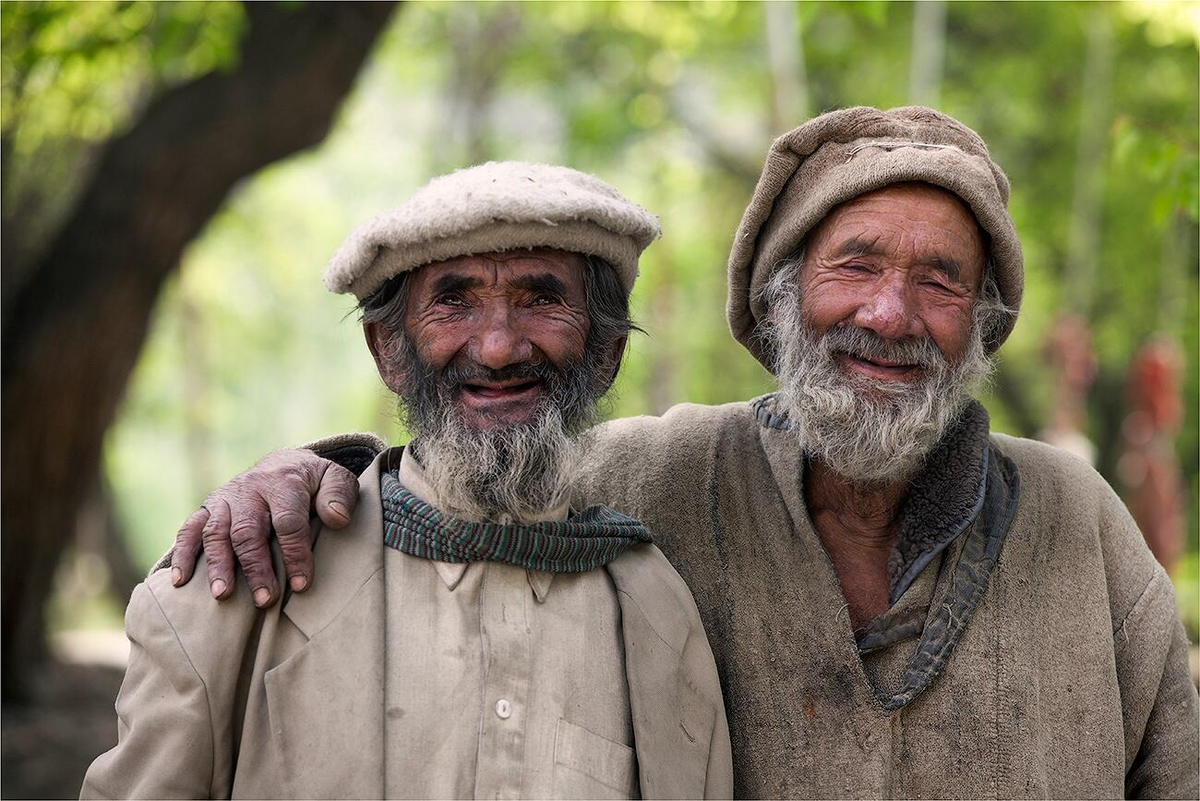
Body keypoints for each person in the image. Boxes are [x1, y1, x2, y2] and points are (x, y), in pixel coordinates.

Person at [170, 107, 1199, 798]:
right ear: (781, 300)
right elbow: (474, 468)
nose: (890, 314)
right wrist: (311, 473)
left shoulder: (1076, 520)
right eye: (854, 266)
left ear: (981, 323)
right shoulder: (654, 480)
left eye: (940, 281)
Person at [82, 162, 733, 800]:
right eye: (454, 302)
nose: (498, 347)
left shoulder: (655, 610)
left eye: (542, 300)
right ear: (389, 352)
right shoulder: (239, 586)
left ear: (607, 353)